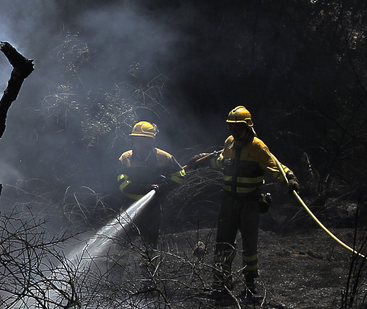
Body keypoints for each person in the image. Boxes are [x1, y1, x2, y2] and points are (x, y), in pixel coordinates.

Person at [185, 106, 300, 298]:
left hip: (249, 203)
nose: (233, 130)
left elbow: (275, 167)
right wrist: (203, 161)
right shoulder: (229, 142)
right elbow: (222, 161)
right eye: (231, 126)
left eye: (237, 126)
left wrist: (290, 178)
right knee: (223, 243)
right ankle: (221, 284)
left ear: (247, 126)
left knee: (249, 244)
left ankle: (250, 286)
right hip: (228, 201)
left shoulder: (258, 147)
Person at [117, 121, 186, 250]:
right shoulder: (125, 158)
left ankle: (148, 268)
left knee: (150, 242)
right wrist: (145, 188)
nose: (139, 144)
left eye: (142, 140)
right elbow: (123, 185)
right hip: (129, 205)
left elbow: (180, 175)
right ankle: (117, 269)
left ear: (151, 141)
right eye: (136, 140)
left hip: (153, 207)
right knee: (123, 242)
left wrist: (165, 187)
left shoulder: (165, 157)